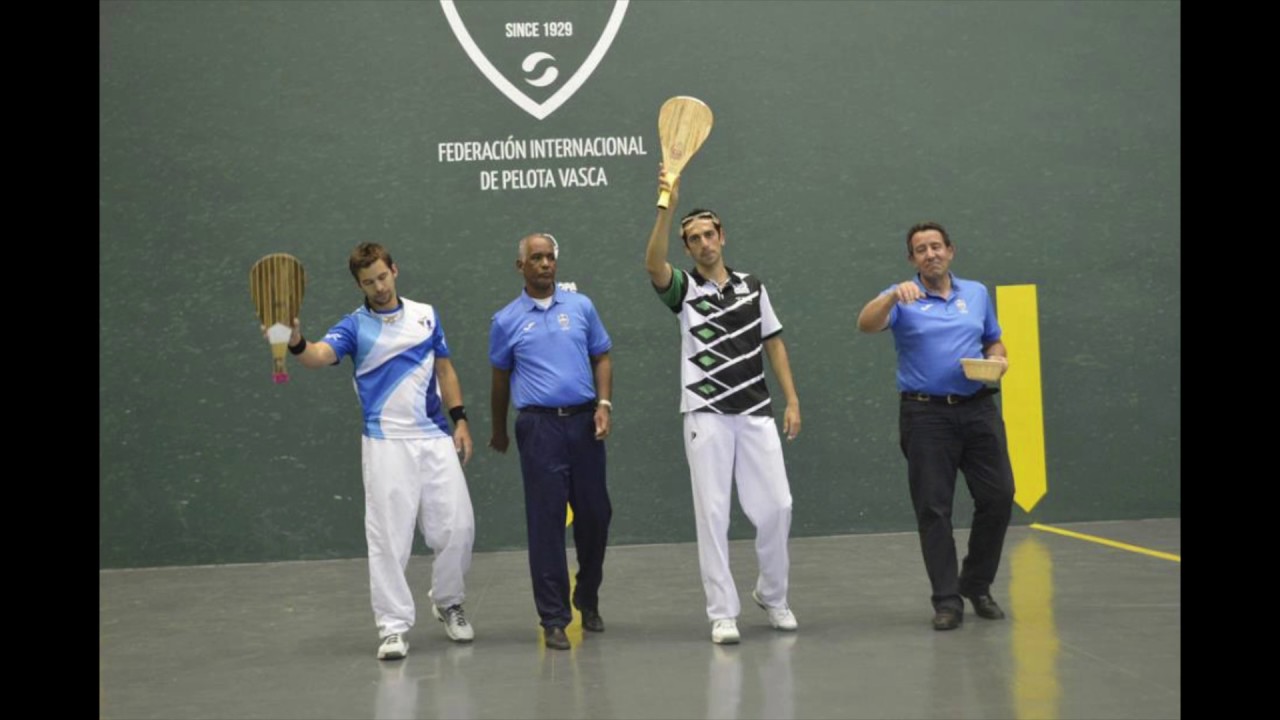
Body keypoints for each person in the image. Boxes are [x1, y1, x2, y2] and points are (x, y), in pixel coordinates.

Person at [274, 242, 477, 659]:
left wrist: (460, 419)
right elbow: (318, 355)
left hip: (434, 436)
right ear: (359, 285)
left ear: (394, 271)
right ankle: (393, 627)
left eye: (383, 277)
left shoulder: (426, 315)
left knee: (458, 528)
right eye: (369, 282)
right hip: (385, 444)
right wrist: (295, 341)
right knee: (388, 538)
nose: (379, 287)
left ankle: (448, 602)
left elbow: (444, 368)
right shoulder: (354, 327)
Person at [644, 169, 801, 645]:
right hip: (706, 413)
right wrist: (667, 205)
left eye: (709, 234)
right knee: (712, 514)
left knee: (778, 506)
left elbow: (773, 343)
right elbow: (653, 263)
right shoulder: (684, 291)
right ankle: (722, 612)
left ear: (722, 236)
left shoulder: (754, 286)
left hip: (756, 412)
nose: (704, 243)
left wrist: (792, 399)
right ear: (687, 248)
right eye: (693, 239)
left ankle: (772, 595)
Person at [855, 221, 1016, 631]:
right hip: (925, 416)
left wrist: (998, 359)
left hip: (978, 410)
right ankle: (947, 600)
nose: (930, 254)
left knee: (999, 496)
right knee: (933, 509)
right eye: (921, 249)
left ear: (950, 250)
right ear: (912, 259)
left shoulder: (976, 293)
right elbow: (865, 323)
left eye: (936, 246)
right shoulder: (902, 296)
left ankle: (975, 583)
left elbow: (993, 339)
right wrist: (892, 296)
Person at [488, 232, 614, 651]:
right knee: (546, 523)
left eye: (550, 257)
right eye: (536, 258)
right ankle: (554, 618)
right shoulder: (505, 320)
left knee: (596, 515)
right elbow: (500, 379)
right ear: (520, 266)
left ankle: (587, 596)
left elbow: (602, 356)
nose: (545, 264)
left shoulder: (581, 307)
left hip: (584, 423)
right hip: (538, 428)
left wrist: (604, 404)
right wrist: (500, 429)